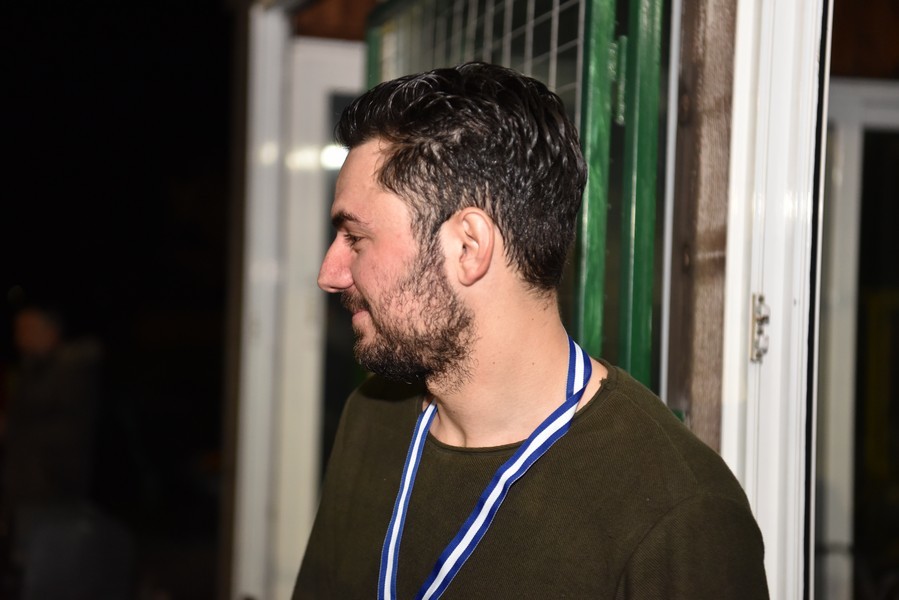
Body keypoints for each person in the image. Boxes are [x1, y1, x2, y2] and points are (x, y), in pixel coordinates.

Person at [294, 62, 768, 599]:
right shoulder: (373, 416)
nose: (329, 274)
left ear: (468, 247)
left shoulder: (680, 513)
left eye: (356, 239)